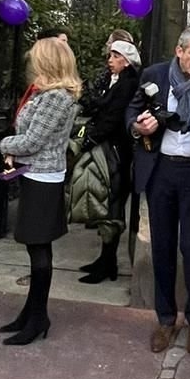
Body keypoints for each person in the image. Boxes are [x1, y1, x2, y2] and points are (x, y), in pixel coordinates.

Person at [126, 26, 190, 356]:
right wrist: (138, 125)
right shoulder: (155, 74)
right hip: (161, 171)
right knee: (163, 248)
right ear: (179, 50)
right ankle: (166, 318)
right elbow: (132, 109)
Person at [0, 36, 81, 345]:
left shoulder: (56, 97)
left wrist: (5, 145)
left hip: (43, 176)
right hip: (36, 172)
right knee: (35, 247)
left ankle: (38, 318)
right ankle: (30, 313)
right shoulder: (49, 93)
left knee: (39, 248)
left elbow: (33, 141)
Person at [75, 38, 141, 284]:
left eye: (114, 56)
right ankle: (105, 259)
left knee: (112, 204)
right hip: (113, 149)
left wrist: (88, 139)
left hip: (116, 152)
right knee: (107, 203)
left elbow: (112, 117)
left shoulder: (128, 84)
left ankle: (108, 262)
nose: (109, 60)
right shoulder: (120, 82)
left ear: (125, 61)